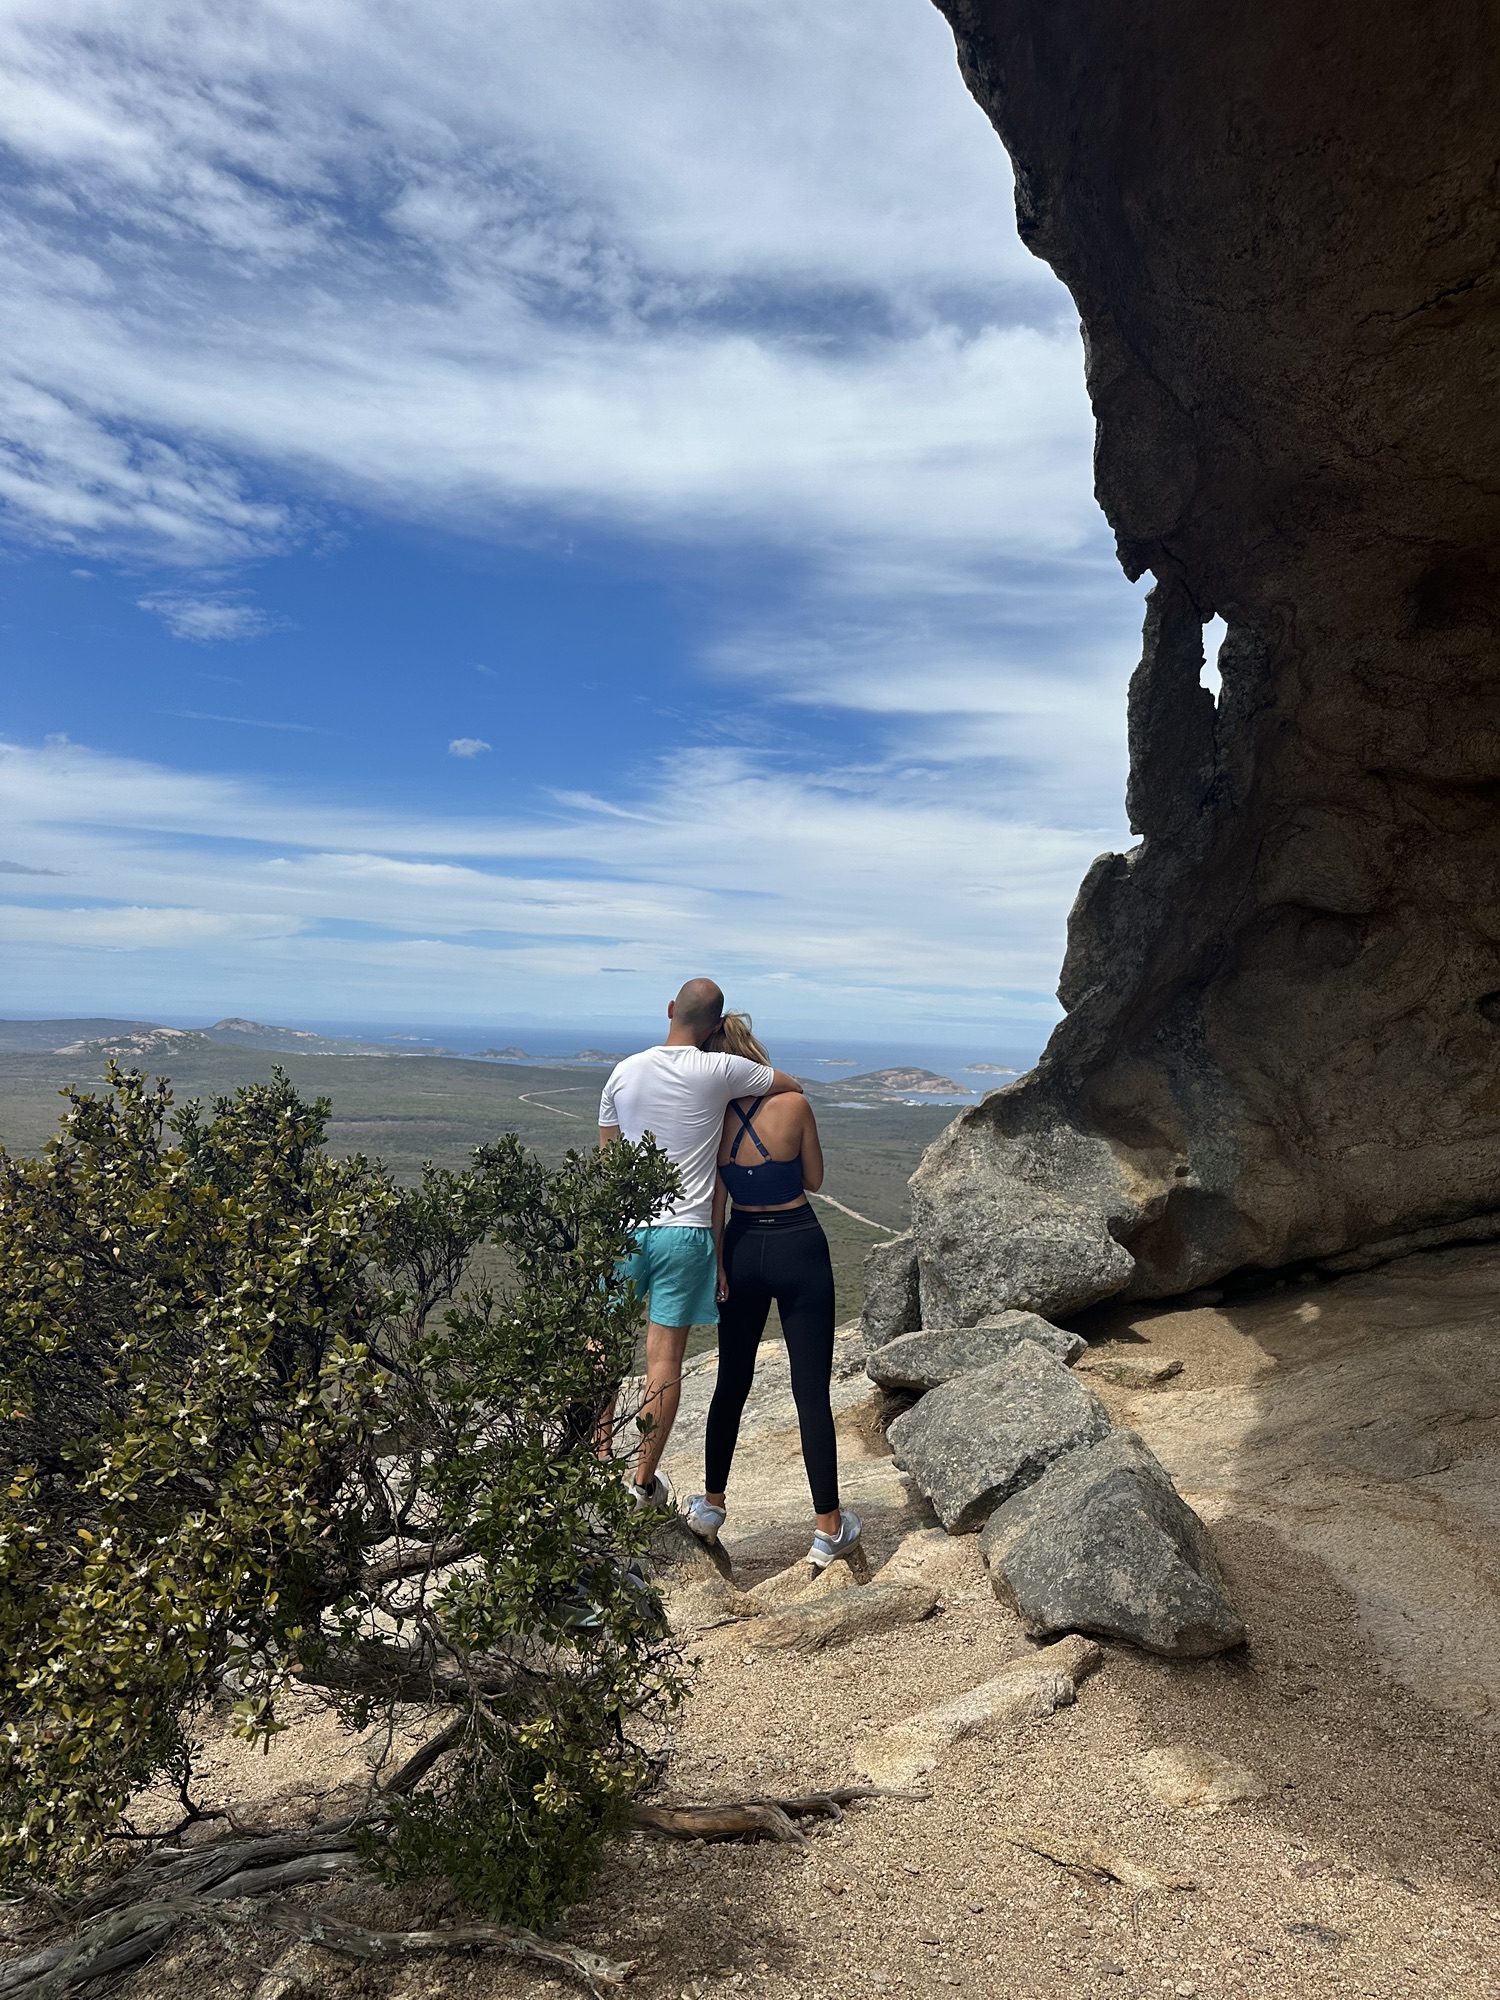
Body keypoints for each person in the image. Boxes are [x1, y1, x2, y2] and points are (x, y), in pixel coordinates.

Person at [598, 978, 805, 1508]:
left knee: (597, 1346)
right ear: (715, 1027)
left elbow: (605, 1165)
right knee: (662, 1359)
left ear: (668, 1008)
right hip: (686, 1233)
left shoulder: (622, 1073)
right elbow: (789, 1085)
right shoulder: (720, 1070)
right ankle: (642, 1482)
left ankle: (595, 1463)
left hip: (624, 1230)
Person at [682, 1012, 860, 1570]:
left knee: (731, 1382)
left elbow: (715, 1200)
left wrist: (717, 1266)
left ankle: (712, 1506)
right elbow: (814, 1179)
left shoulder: (712, 1116)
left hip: (740, 1248)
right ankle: (828, 1527)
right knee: (811, 1390)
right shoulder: (796, 1105)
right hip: (799, 1246)